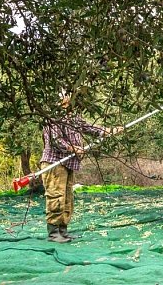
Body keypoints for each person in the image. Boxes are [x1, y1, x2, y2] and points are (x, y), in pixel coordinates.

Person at [40, 93, 122, 242]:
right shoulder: (52, 117)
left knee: (67, 198)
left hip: (68, 163)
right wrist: (73, 148)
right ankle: (53, 233)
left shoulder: (72, 117)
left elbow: (87, 127)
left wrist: (107, 131)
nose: (69, 98)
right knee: (56, 196)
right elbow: (55, 141)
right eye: (65, 95)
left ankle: (63, 230)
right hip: (55, 163)